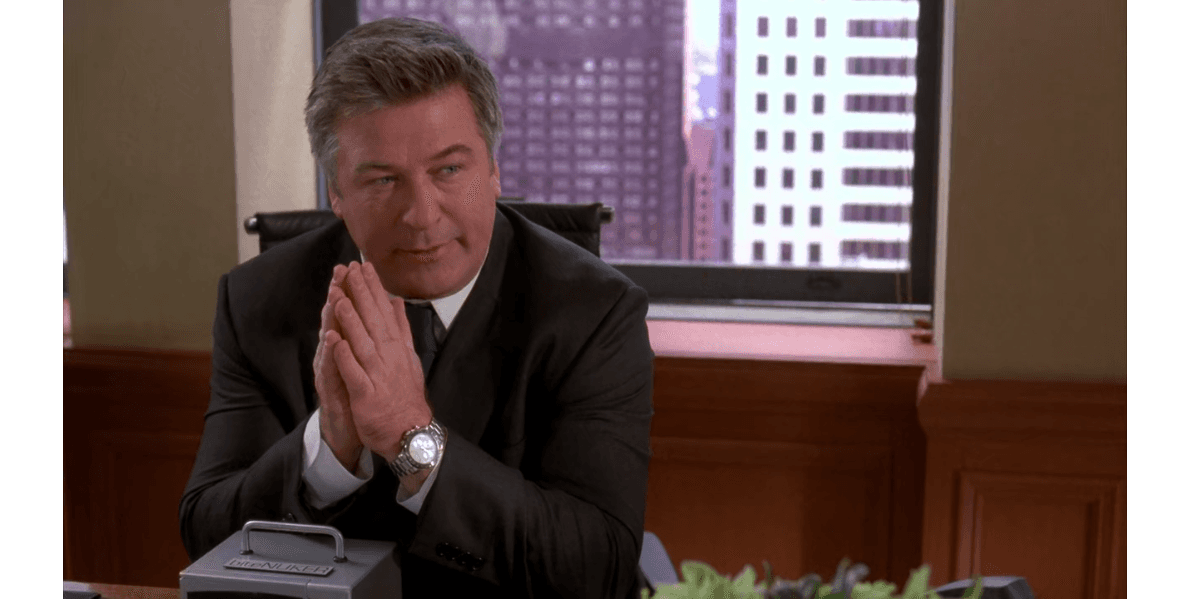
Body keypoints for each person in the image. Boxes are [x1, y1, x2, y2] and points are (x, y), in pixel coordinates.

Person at [178, 17, 655, 598]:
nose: (421, 214)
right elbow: (207, 536)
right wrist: (326, 451)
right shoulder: (258, 300)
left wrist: (412, 436)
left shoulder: (595, 312)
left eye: (450, 170)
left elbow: (595, 564)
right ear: (336, 191)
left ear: (494, 170)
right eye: (382, 181)